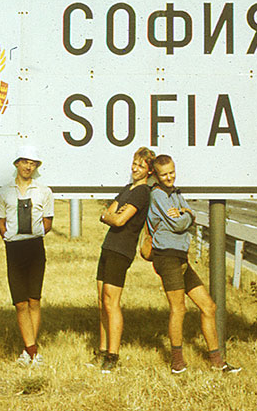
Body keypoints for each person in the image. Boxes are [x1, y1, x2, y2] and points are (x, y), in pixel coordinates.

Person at [147, 154, 241, 375]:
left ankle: (218, 361)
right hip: (166, 256)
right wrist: (186, 214)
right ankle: (177, 362)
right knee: (178, 308)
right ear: (156, 176)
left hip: (181, 256)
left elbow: (187, 216)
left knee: (208, 307)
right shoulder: (158, 195)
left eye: (171, 172)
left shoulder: (176, 193)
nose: (169, 177)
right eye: (164, 174)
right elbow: (180, 224)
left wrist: (186, 213)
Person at [93, 147, 156, 373]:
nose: (135, 168)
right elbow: (110, 212)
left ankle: (113, 354)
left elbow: (118, 220)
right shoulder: (127, 188)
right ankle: (101, 350)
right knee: (102, 300)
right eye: (134, 163)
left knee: (111, 301)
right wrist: (111, 215)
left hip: (122, 250)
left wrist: (110, 216)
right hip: (108, 246)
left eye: (141, 166)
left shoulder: (141, 193)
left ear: (148, 171)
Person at [0, 145, 54, 366]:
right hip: (14, 249)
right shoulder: (3, 192)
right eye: (25, 162)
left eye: (33, 163)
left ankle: (29, 350)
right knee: (20, 302)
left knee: (34, 300)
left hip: (35, 247)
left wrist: (34, 234)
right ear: (17, 163)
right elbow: (0, 221)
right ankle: (31, 351)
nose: (28, 166)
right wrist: (9, 236)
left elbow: (48, 221)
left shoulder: (44, 191)